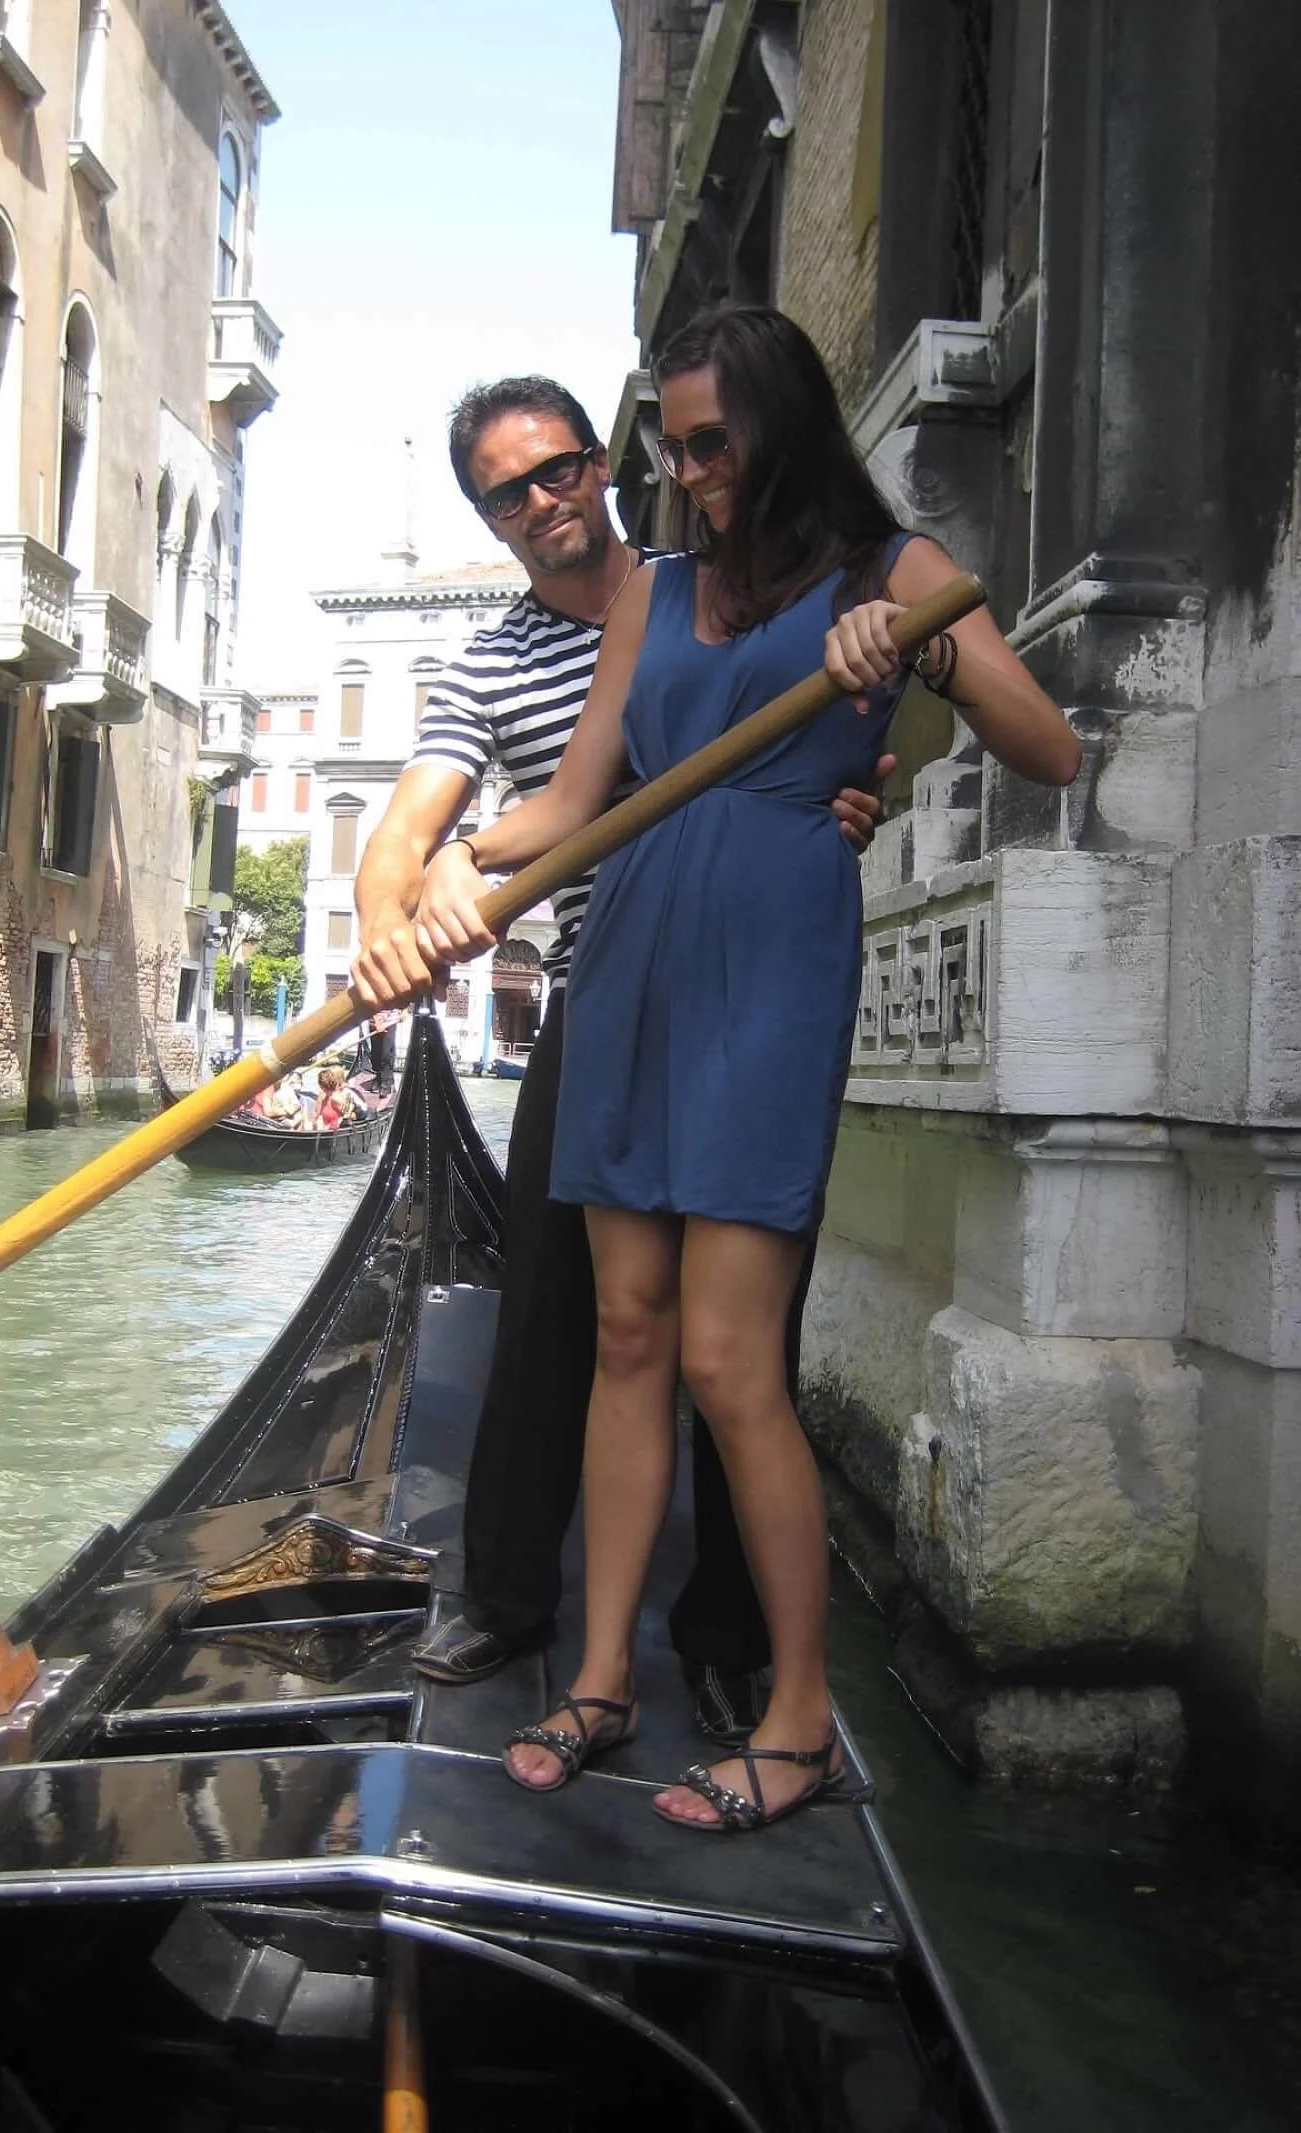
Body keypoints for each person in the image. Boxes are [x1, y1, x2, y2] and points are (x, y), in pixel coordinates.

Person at [404, 305, 1080, 1831]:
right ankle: (600, 1679)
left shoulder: (887, 575)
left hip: (771, 965)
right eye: (672, 443)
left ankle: (797, 1715)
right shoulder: (651, 589)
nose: (689, 470)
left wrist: (915, 665)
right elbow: (576, 801)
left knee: (726, 1361)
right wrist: (450, 872)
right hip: (632, 952)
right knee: (627, 1338)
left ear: (779, 427)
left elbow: (1049, 748)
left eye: (712, 442)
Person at [351, 372, 893, 1749]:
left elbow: (852, 699)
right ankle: (514, 1596)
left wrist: (858, 783)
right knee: (554, 1312)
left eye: (559, 469)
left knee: (737, 1345)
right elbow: (421, 821)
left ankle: (726, 1640)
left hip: (742, 986)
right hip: (601, 991)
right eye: (506, 491)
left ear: (603, 465)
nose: (542, 502)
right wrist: (394, 911)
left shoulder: (712, 586)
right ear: (485, 513)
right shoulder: (490, 664)